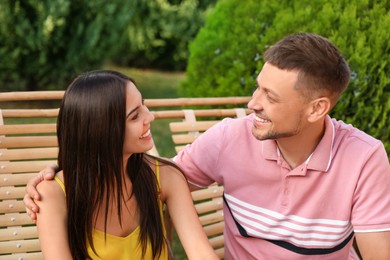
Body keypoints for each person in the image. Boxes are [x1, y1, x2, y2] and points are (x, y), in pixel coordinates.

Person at [24, 33, 390, 259]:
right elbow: (145, 173)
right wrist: (63, 170)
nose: (252, 103)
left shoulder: (364, 157)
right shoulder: (229, 139)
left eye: (270, 97)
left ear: (317, 109)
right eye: (257, 87)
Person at [28, 70, 218, 259]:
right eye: (135, 116)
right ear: (101, 131)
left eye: (143, 105)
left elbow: (202, 254)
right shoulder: (52, 194)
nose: (150, 117)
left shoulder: (166, 176)